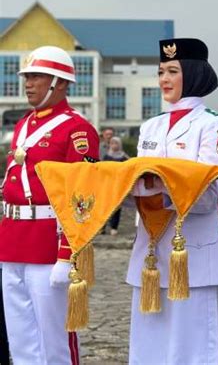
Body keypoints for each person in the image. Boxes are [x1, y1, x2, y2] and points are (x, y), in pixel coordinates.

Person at [126, 38, 218, 364]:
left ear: (194, 74)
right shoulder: (151, 125)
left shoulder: (213, 124)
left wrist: (155, 189)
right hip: (151, 252)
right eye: (161, 71)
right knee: (149, 345)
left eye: (173, 70)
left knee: (192, 346)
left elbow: (208, 196)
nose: (164, 79)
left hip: (194, 256)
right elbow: (135, 186)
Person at [0, 45, 100, 364]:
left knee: (55, 336)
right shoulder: (23, 125)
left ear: (59, 82)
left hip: (48, 243)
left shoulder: (78, 130)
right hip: (13, 238)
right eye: (27, 77)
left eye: (36, 76)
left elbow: (83, 199)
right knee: (21, 336)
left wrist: (67, 254)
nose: (28, 83)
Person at [103, 136, 129, 235]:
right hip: (107, 185)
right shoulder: (106, 156)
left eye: (116, 143)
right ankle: (102, 227)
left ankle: (114, 227)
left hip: (118, 185)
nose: (114, 145)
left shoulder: (124, 157)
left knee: (117, 206)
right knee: (105, 207)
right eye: (112, 143)